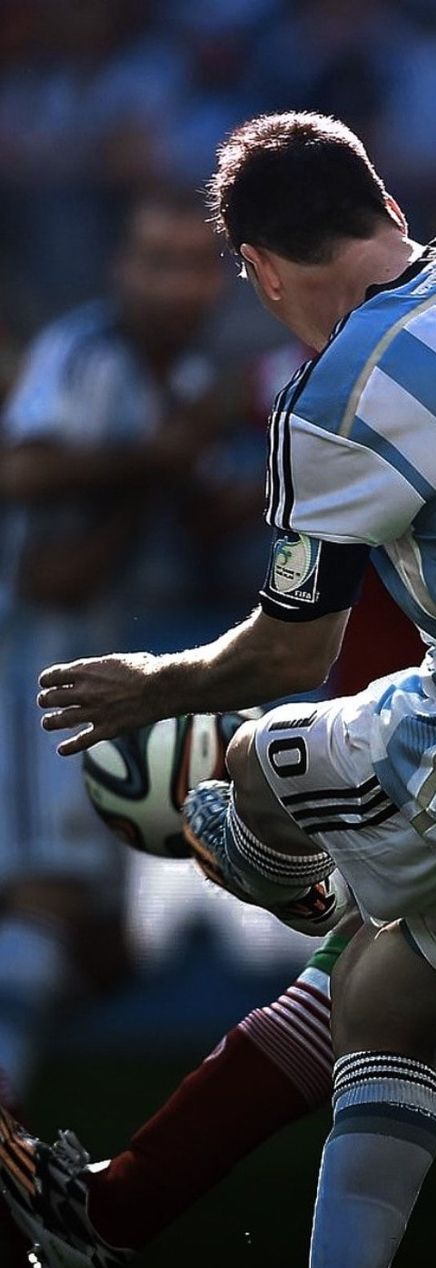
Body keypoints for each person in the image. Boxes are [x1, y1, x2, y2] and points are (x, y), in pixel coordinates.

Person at [4, 112, 436, 1268]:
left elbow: (288, 650)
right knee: (374, 995)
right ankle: (197, 1247)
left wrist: (153, 684)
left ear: (261, 271)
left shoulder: (339, 398)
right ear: (384, 203)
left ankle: (268, 864)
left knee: (254, 762)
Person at [0, 185, 260, 1125]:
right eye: (156, 262)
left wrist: (228, 498)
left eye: (194, 266)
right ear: (121, 270)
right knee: (45, 895)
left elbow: (187, 503)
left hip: (102, 664)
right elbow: (21, 470)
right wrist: (162, 460)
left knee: (110, 952)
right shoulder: (83, 354)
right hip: (30, 653)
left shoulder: (188, 380)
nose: (175, 285)